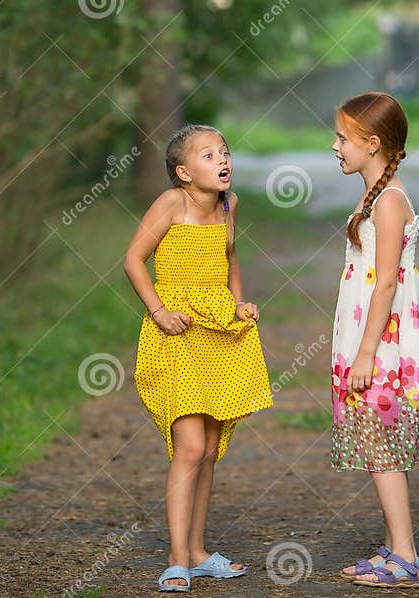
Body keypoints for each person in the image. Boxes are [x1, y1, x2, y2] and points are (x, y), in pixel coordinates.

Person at [123, 123, 273, 592]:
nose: (222, 159)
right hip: (176, 334)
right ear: (184, 173)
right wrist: (159, 311)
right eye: (208, 155)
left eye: (224, 151)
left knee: (209, 450)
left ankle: (198, 551)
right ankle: (175, 559)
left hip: (216, 333)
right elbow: (132, 260)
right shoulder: (172, 203)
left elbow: (231, 260)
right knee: (188, 447)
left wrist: (238, 304)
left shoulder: (230, 205)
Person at [329, 92, 419, 588]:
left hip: (385, 339)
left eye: (342, 138)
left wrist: (367, 351)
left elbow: (387, 282)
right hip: (368, 331)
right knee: (379, 443)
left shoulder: (390, 201)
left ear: (371, 144)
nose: (335, 147)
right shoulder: (374, 193)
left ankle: (407, 556)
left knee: (382, 442)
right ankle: (397, 547)